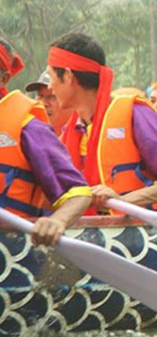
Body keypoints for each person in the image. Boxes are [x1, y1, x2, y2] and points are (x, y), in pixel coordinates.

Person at [47, 33, 157, 212]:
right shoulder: (71, 131)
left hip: (139, 233)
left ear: (68, 76)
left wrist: (123, 201)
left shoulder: (134, 113)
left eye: (51, 77)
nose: (49, 87)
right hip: (92, 235)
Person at [0, 38, 91, 245]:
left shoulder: (30, 129)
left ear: (4, 78)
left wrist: (57, 221)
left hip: (12, 251)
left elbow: (78, 194)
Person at [24, 70, 72, 134]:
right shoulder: (27, 138)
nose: (43, 103)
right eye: (40, 96)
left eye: (53, 97)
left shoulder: (85, 138)